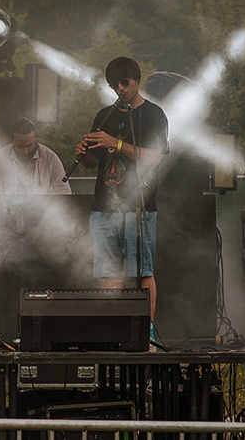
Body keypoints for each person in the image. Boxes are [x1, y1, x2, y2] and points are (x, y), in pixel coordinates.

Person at [74, 57, 169, 327]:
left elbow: (153, 158)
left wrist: (115, 143)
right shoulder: (104, 115)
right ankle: (112, 331)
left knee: (143, 273)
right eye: (114, 85)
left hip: (138, 206)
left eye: (124, 83)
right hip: (104, 207)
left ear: (136, 79)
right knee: (108, 275)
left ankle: (147, 333)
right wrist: (82, 154)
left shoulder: (154, 114)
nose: (120, 89)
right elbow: (93, 162)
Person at [0, 117, 71, 195]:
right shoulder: (0, 157)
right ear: (12, 140)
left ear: (36, 138)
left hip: (44, 207)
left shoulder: (51, 158)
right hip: (8, 207)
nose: (25, 151)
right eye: (19, 146)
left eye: (29, 146)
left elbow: (64, 193)